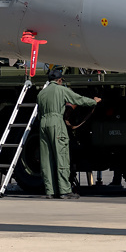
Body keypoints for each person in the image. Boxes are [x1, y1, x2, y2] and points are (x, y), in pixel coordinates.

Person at [35, 68, 99, 199]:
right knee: (61, 156)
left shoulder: (41, 93)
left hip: (43, 123)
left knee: (46, 158)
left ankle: (49, 191)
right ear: (59, 80)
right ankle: (64, 190)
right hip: (56, 122)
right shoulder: (62, 90)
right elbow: (78, 99)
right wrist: (93, 101)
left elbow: (39, 113)